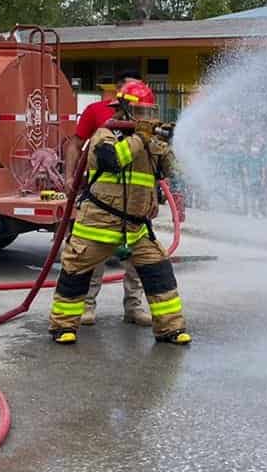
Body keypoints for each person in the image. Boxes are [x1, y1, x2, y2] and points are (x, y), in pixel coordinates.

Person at [50, 80, 190, 346]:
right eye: (141, 113)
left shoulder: (149, 141)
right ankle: (63, 327)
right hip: (98, 224)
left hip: (136, 228)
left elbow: (173, 172)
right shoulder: (105, 136)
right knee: (75, 273)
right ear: (124, 110)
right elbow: (112, 161)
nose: (146, 118)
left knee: (159, 272)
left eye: (150, 112)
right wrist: (141, 137)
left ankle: (170, 329)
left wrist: (168, 146)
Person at [68, 72, 153, 327]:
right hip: (104, 200)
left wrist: (152, 197)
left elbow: (151, 162)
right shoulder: (97, 112)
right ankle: (86, 306)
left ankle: (134, 307)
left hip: (136, 204)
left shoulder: (146, 115)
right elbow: (76, 144)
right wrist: (70, 179)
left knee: (137, 261)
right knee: (94, 257)